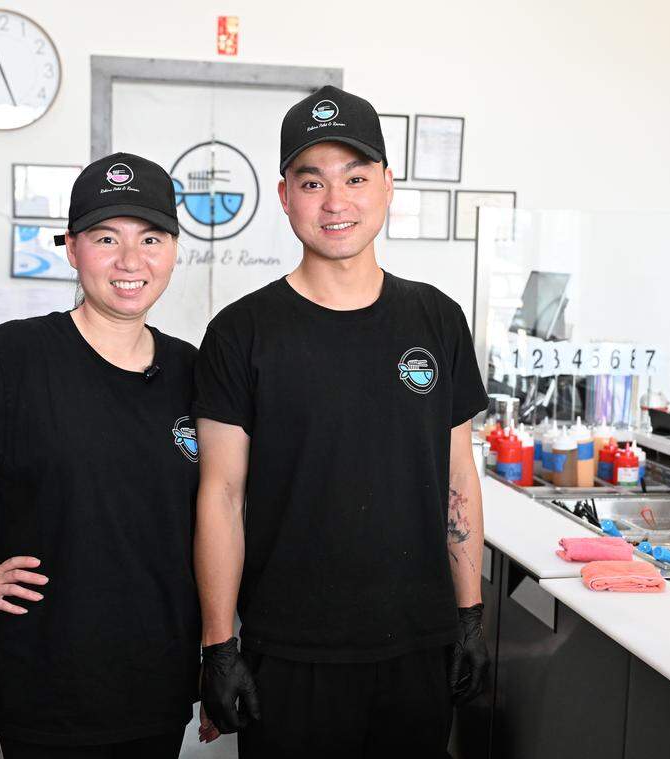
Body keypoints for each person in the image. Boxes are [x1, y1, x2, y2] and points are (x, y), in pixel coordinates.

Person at [0, 153, 216, 758]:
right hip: (49, 685)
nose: (131, 262)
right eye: (106, 238)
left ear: (174, 250)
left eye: (151, 238)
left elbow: (217, 515)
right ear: (72, 249)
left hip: (157, 679)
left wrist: (218, 653)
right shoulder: (15, 358)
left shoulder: (192, 369)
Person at [194, 86, 490, 757]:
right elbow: (221, 495)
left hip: (417, 642)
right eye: (313, 181)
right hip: (290, 650)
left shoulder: (436, 319)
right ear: (284, 195)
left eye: (356, 177)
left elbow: (457, 473)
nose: (336, 201)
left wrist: (469, 613)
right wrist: (219, 645)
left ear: (387, 185)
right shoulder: (241, 332)